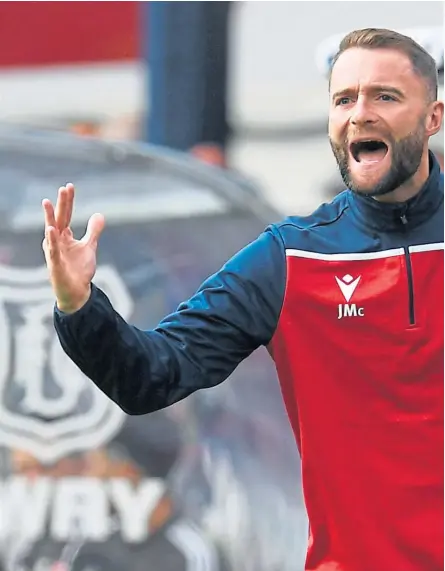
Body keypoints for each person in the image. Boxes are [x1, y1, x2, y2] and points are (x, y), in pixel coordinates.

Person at [42, 28, 444, 571]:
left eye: (385, 96)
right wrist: (78, 304)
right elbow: (150, 376)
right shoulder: (288, 257)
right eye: (344, 99)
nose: (360, 114)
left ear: (432, 117)